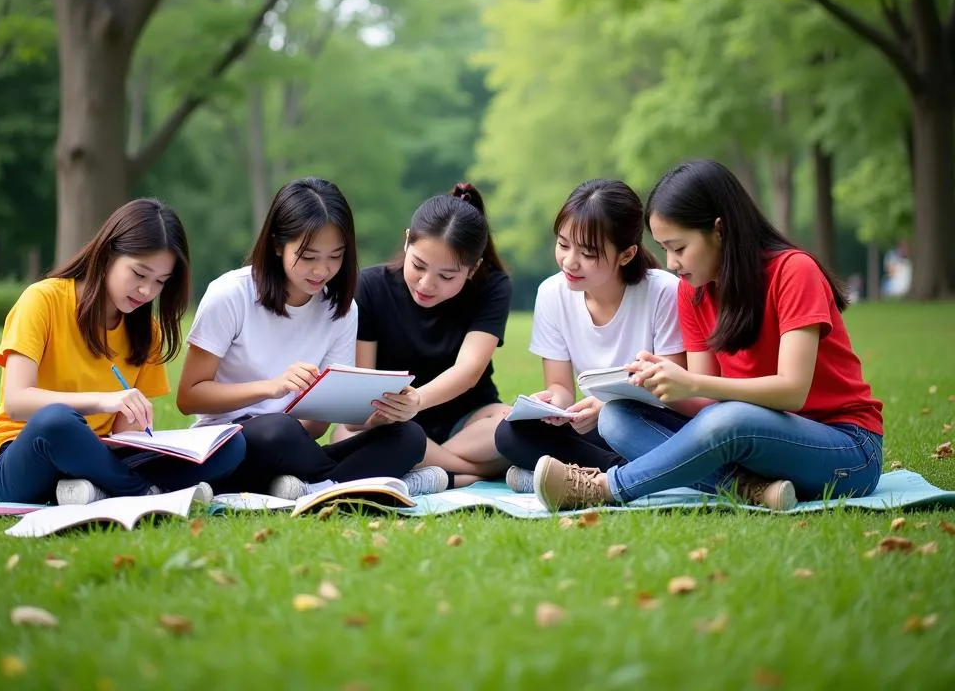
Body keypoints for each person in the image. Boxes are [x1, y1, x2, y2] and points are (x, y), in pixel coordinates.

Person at [533, 160, 885, 513]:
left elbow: (791, 391)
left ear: (719, 230)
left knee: (731, 418)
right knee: (616, 417)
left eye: (679, 248)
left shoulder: (793, 271)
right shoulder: (693, 291)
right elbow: (703, 403)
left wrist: (694, 384)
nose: (670, 263)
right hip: (754, 444)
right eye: (665, 248)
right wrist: (654, 385)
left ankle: (604, 487)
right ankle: (752, 489)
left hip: (845, 450)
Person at [177, 177, 427, 499]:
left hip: (295, 445)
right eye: (308, 257)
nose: (322, 270)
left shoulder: (341, 310)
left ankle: (307, 487)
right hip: (229, 444)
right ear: (277, 244)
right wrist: (272, 388)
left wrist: (382, 411)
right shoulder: (230, 294)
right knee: (275, 430)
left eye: (335, 256)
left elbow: (316, 427)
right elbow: (189, 397)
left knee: (409, 437)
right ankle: (340, 484)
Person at [0, 199, 244, 506]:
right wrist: (102, 401)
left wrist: (135, 426)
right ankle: (145, 494)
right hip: (24, 458)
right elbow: (17, 402)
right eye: (139, 274)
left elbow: (123, 437)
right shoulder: (42, 301)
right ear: (107, 254)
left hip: (98, 457)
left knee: (231, 445)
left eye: (160, 282)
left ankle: (103, 489)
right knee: (57, 422)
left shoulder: (148, 332)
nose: (147, 291)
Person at [495, 179, 684, 491]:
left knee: (618, 422)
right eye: (563, 244)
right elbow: (560, 387)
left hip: (651, 424)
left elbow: (672, 389)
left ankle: (585, 478)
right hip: (595, 428)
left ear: (626, 254)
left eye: (587, 252)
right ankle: (620, 476)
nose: (570, 261)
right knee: (509, 433)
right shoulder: (552, 293)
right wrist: (551, 404)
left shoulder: (663, 291)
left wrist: (606, 406)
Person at [332, 183, 512, 488]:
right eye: (418, 265)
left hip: (468, 421)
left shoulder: (492, 286)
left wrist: (418, 400)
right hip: (390, 422)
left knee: (514, 427)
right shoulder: (370, 287)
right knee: (345, 434)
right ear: (406, 242)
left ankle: (421, 466)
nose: (427, 284)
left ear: (473, 268)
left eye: (446, 276)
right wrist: (378, 417)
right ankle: (470, 475)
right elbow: (363, 382)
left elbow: (468, 371)